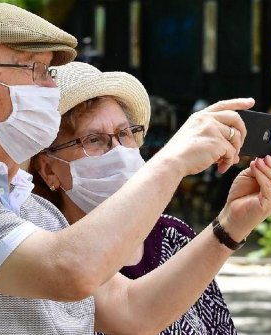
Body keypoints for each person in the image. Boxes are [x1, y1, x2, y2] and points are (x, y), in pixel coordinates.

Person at [0, 2, 271, 334]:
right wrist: (172, 161)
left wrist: (228, 227)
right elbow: (70, 272)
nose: (50, 88)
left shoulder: (35, 211)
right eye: (37, 71)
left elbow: (131, 313)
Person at [28, 61, 237, 334]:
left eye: (124, 134)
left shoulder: (173, 236)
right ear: (48, 169)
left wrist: (238, 218)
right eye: (93, 140)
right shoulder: (43, 249)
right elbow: (130, 312)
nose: (117, 151)